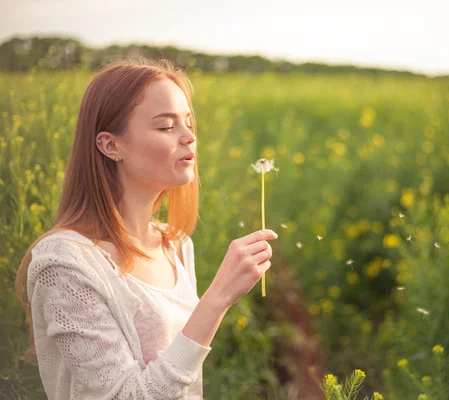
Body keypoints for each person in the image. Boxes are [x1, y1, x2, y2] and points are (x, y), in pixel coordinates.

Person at [14, 57, 278, 399]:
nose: (189, 138)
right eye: (166, 127)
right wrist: (218, 298)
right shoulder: (65, 263)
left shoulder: (177, 245)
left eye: (188, 123)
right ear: (111, 145)